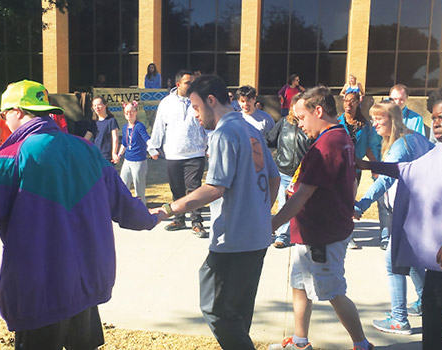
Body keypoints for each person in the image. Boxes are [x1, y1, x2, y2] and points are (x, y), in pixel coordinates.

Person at [0, 80, 160, 350]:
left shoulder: (11, 158)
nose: (5, 121)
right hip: (86, 286)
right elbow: (126, 207)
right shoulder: (87, 150)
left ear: (16, 112)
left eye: (5, 115)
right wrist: (152, 217)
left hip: (41, 292)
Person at [151, 74, 280, 349]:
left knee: (216, 309)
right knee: (238, 311)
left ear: (211, 101)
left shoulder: (224, 133)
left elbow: (213, 188)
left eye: (196, 107)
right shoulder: (250, 129)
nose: (195, 116)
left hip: (234, 241)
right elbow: (274, 178)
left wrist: (167, 209)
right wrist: (260, 212)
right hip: (257, 237)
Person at [269, 86, 374, 350]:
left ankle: (362, 345)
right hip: (309, 231)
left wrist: (270, 225)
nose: (300, 125)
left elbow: (302, 195)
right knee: (300, 286)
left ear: (319, 110)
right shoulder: (339, 136)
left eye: (302, 118)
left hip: (322, 235)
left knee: (333, 292)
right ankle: (301, 341)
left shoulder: (328, 143)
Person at [356, 86, 442, 349]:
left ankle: (401, 318)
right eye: (435, 117)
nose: (437, 123)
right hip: (441, 258)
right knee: (433, 308)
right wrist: (367, 165)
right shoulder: (439, 150)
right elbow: (406, 170)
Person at [148, 69, 209, 238]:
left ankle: (197, 222)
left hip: (195, 152)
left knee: (194, 189)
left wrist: (209, 145)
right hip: (174, 153)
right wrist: (153, 146)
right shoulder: (166, 103)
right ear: (178, 84)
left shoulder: (199, 100)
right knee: (177, 189)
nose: (192, 85)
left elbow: (207, 123)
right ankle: (179, 218)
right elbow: (159, 126)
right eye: (188, 82)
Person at [265, 94, 312, 248]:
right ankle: (283, 235)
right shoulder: (284, 122)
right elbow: (269, 139)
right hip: (284, 171)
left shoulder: (309, 125)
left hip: (302, 173)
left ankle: (303, 233)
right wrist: (272, 154)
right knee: (283, 203)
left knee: (303, 205)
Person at [337, 92, 381, 249]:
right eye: (346, 101)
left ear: (358, 103)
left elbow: (369, 146)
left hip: (356, 168)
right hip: (340, 168)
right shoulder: (337, 122)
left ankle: (348, 235)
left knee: (349, 201)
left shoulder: (365, 124)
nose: (348, 104)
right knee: (340, 201)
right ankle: (340, 234)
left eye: (352, 101)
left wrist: (375, 166)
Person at [114, 101, 150, 204]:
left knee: (139, 190)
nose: (129, 114)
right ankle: (124, 209)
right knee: (123, 186)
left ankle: (142, 213)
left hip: (139, 162)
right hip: (127, 160)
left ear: (135, 112)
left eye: (131, 111)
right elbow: (125, 143)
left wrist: (152, 150)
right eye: (126, 112)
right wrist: (119, 155)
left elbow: (146, 139)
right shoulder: (125, 127)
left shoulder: (139, 126)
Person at [92, 96, 119, 163]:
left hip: (107, 157)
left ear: (105, 105)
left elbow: (115, 138)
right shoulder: (94, 123)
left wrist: (114, 153)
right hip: (95, 156)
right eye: (94, 106)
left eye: (99, 104)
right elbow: (86, 138)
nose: (96, 107)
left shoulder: (111, 121)